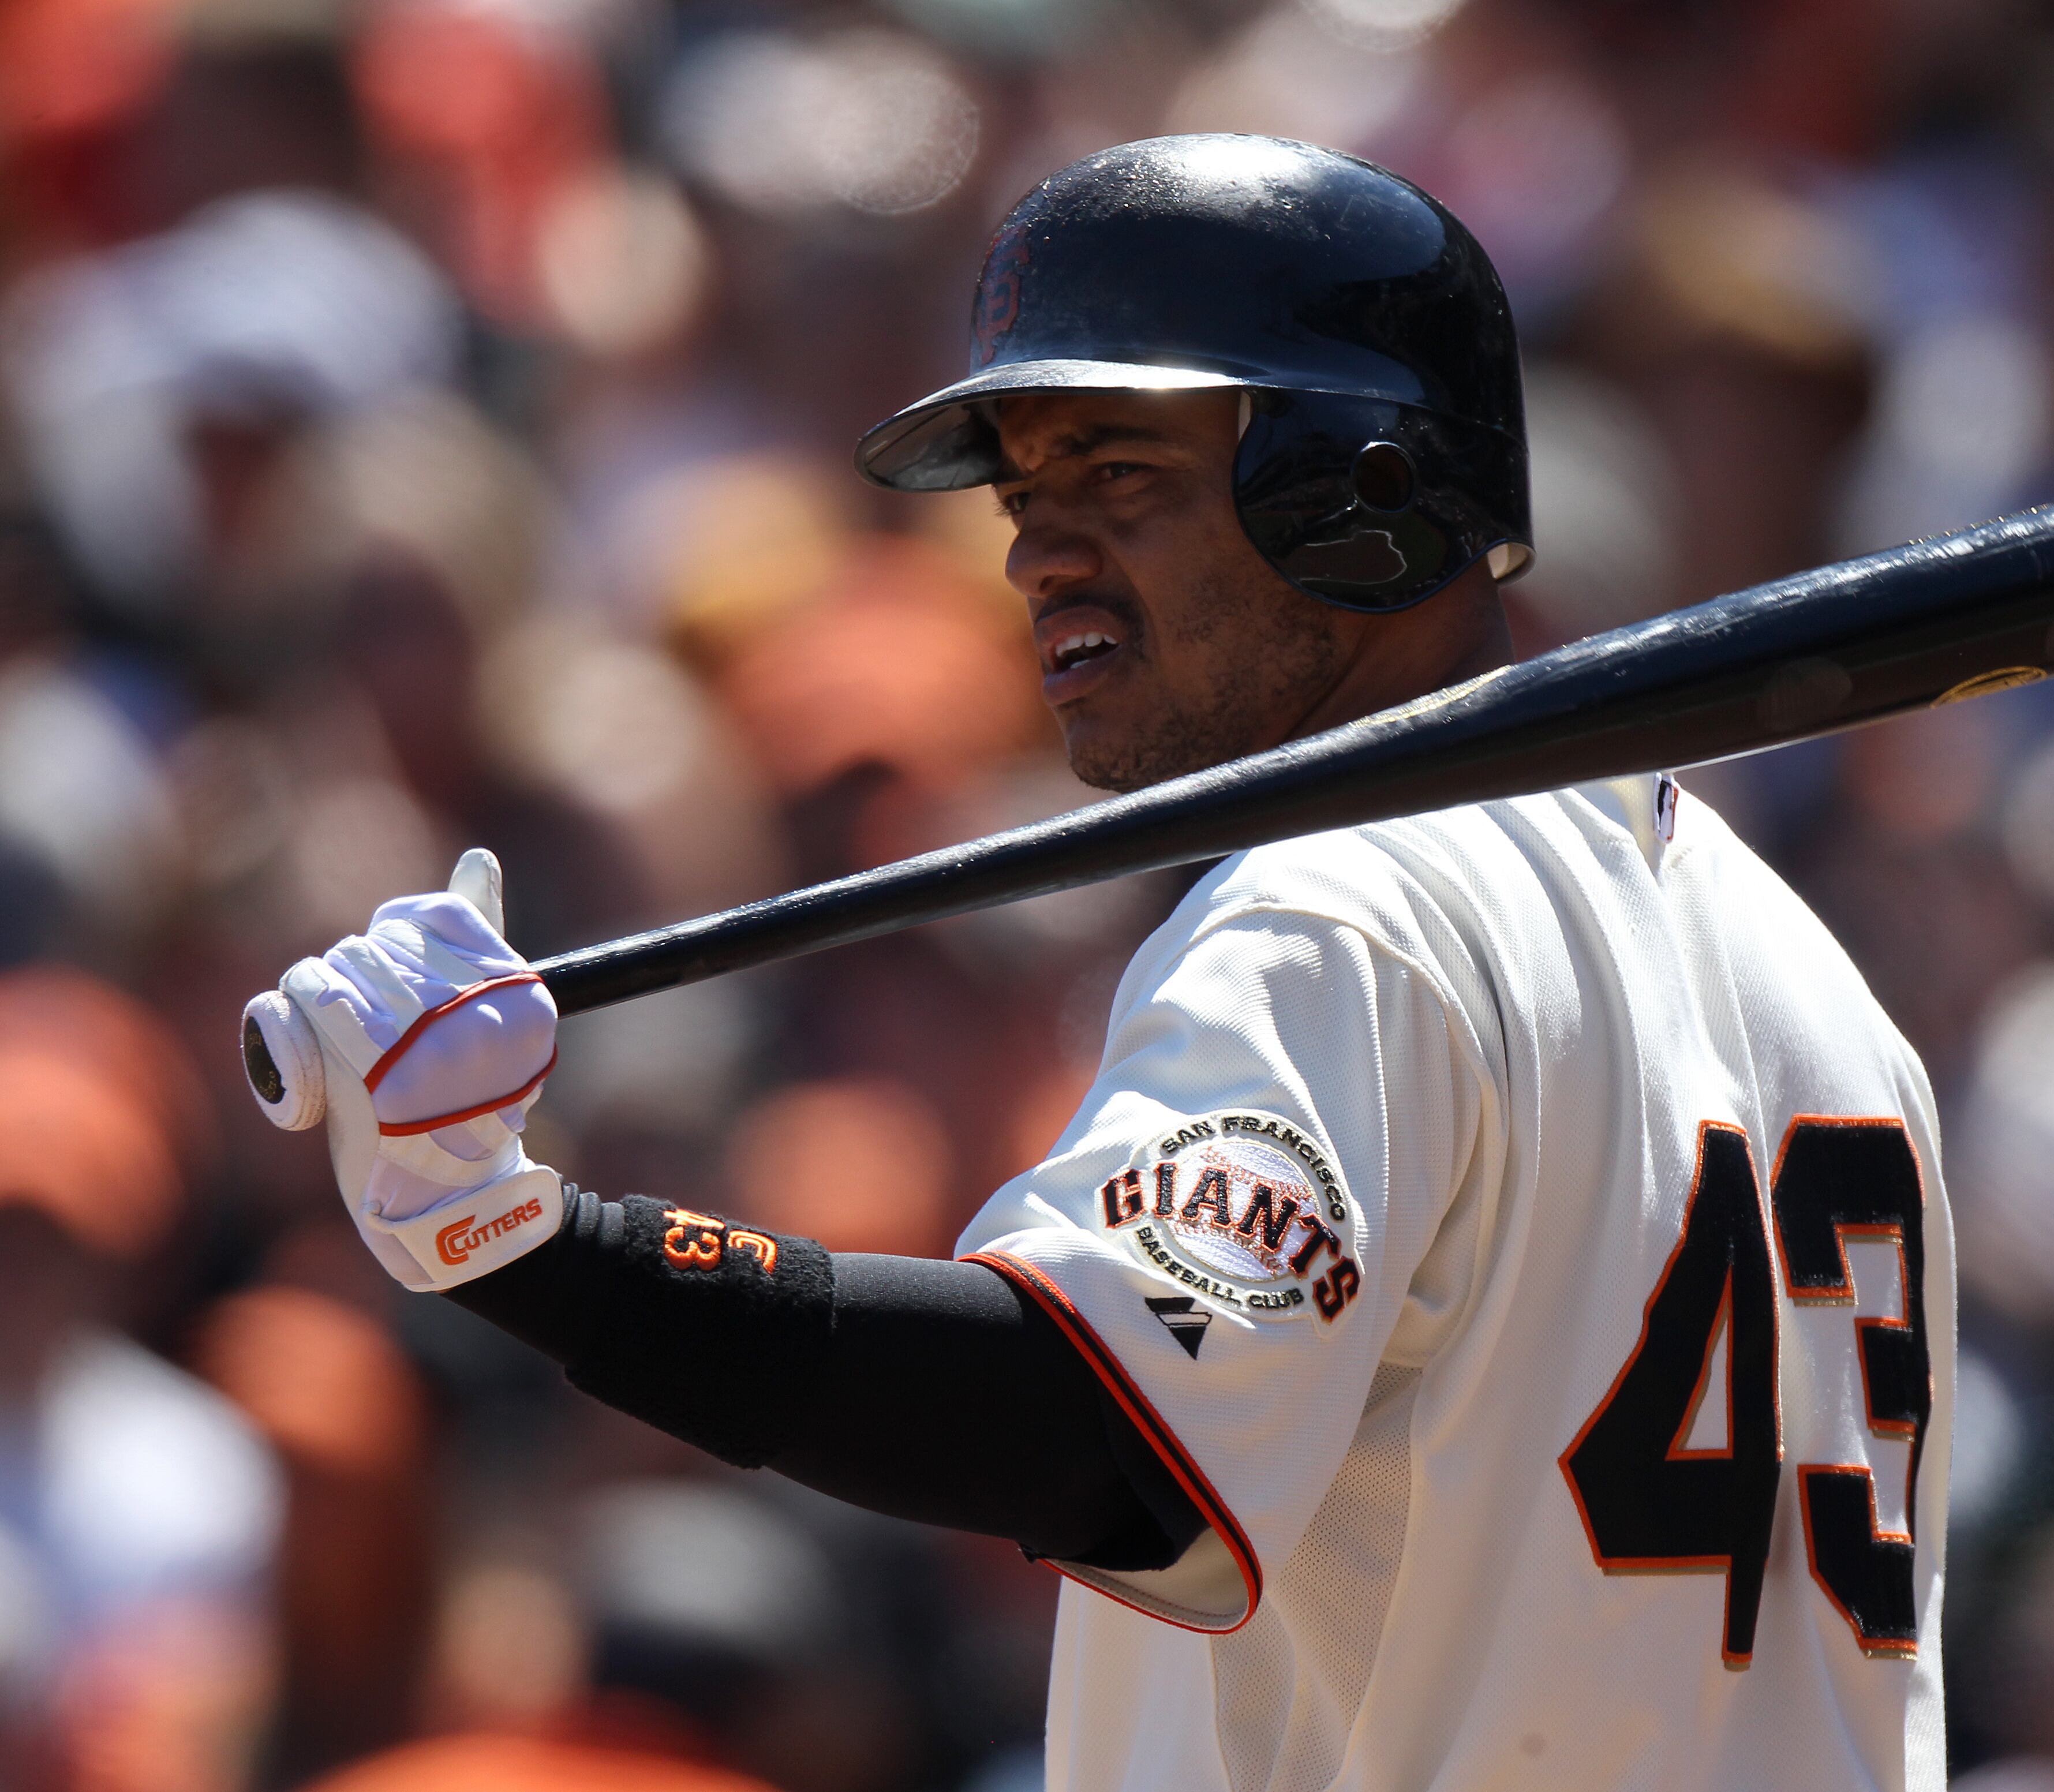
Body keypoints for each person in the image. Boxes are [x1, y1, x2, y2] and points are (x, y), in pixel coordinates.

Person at [241, 134, 1955, 1790]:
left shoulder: (1340, 910)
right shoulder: (1809, 979)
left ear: (1362, 495)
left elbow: (1086, 1422)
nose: (1034, 551)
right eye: (1024, 490)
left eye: (1118, 475)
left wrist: (530, 1240)